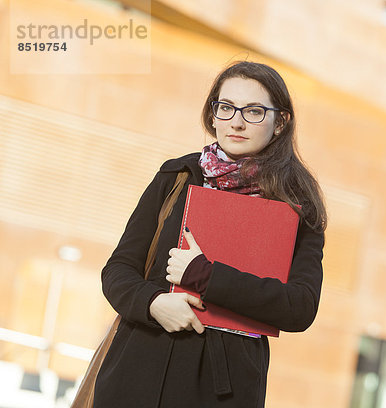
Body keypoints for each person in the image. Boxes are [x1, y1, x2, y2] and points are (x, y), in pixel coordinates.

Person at [93, 61, 327, 407]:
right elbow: (118, 270)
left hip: (221, 388)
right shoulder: (177, 175)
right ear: (213, 113)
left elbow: (300, 307)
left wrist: (205, 275)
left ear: (280, 122)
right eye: (226, 107)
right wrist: (154, 303)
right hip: (137, 371)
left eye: (254, 111)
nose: (236, 121)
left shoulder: (295, 204)